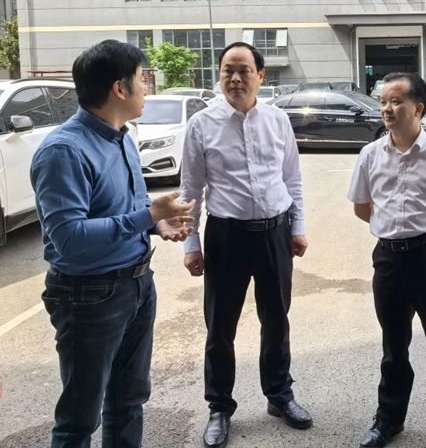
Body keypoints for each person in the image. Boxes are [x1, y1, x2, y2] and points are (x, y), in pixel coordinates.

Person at [30, 39, 195, 447]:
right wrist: (148, 216)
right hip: (89, 296)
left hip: (136, 284)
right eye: (142, 79)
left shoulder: (121, 137)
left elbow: (126, 206)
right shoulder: (64, 151)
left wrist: (156, 225)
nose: (147, 88)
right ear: (119, 88)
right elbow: (69, 239)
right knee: (79, 417)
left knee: (128, 400)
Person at [180, 41, 311, 448]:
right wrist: (191, 244)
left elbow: (292, 179)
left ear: (260, 75)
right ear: (219, 75)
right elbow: (190, 191)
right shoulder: (201, 125)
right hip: (227, 237)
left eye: (244, 71)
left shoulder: (278, 120)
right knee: (220, 326)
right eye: (228, 71)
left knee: (277, 319)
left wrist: (297, 227)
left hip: (274, 233)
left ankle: (279, 394)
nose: (235, 78)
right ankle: (219, 406)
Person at [348, 72, 426, 448]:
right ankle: (389, 419)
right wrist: (393, 228)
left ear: (418, 108)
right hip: (389, 259)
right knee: (393, 346)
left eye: (396, 101)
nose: (387, 108)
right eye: (383, 101)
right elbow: (361, 207)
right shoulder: (371, 154)